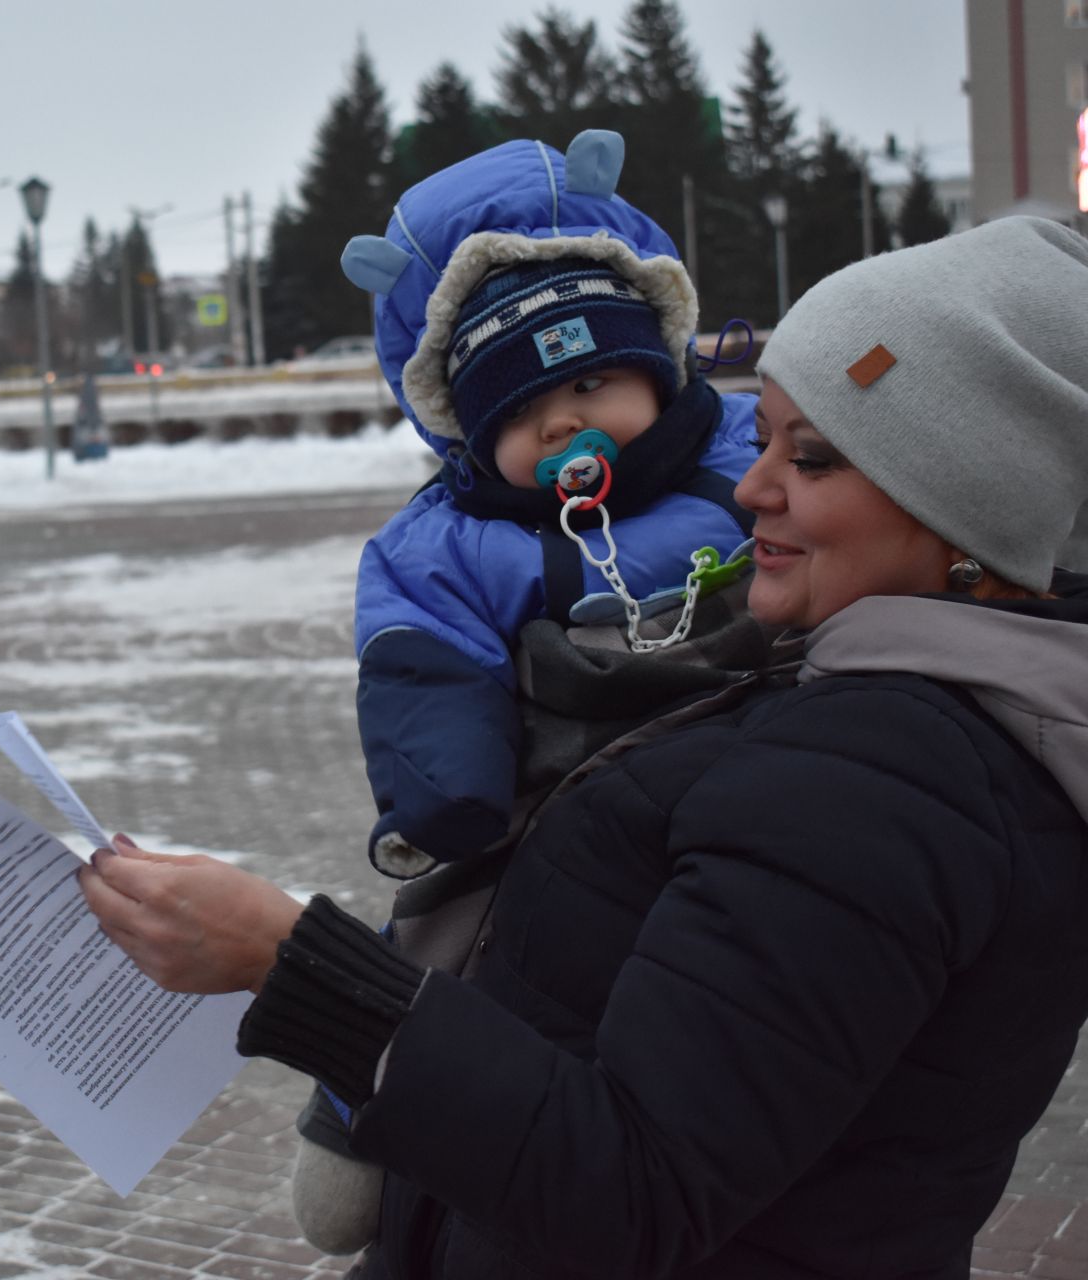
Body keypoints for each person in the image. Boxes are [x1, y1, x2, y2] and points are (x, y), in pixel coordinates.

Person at [81, 215, 1088, 1278]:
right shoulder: (877, 697)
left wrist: (288, 963)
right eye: (766, 438)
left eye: (814, 457)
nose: (751, 489)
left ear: (968, 498)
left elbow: (629, 1189)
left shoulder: (887, 777)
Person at [340, 129, 756, 879]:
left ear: (659, 372)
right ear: (471, 435)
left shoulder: (748, 445)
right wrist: (446, 791)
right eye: (519, 411)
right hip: (594, 812)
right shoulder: (451, 544)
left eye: (591, 385)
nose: (561, 424)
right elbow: (426, 666)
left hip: (777, 741)